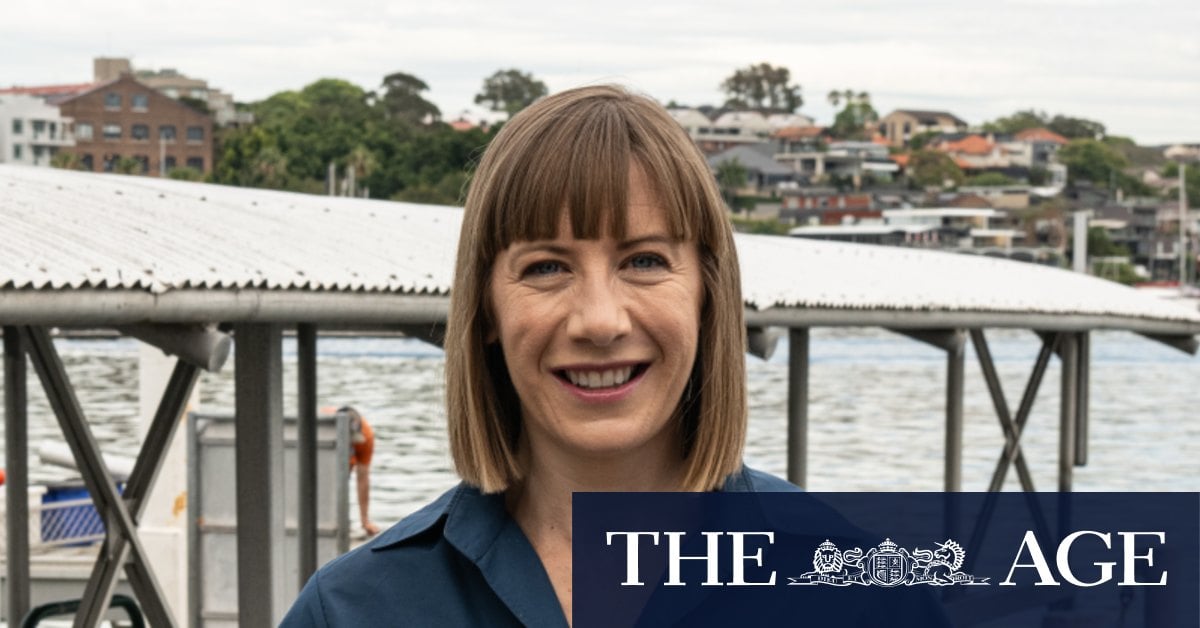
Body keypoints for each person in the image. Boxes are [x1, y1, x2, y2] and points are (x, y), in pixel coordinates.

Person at [282, 84, 794, 627]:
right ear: (485, 310)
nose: (600, 321)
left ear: (708, 295)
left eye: (644, 260)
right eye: (547, 267)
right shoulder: (351, 611)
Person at [339, 406, 381, 537]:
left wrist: (365, 520)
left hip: (342, 470)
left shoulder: (365, 435)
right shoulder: (320, 425)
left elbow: (362, 478)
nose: (351, 444)